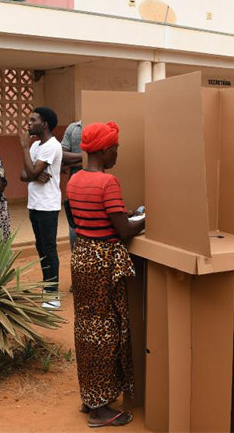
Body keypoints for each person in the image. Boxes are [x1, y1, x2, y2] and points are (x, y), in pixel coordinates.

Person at [66, 121, 144, 428]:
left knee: (87, 329)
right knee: (107, 332)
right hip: (102, 262)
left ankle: (91, 397)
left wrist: (125, 216)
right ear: (104, 149)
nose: (117, 154)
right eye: (116, 148)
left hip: (82, 256)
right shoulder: (107, 182)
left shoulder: (75, 180)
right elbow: (123, 230)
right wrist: (146, 218)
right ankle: (100, 411)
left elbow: (89, 218)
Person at [20, 107, 63, 308]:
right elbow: (23, 174)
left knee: (49, 248)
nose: (28, 124)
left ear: (44, 124)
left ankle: (53, 295)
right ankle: (47, 287)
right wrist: (34, 175)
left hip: (47, 205)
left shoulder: (51, 146)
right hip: (35, 203)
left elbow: (30, 172)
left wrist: (24, 147)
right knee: (41, 247)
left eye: (33, 120)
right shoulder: (37, 145)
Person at [61, 120, 83, 250]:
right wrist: (87, 157)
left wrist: (72, 162)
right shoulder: (74, 127)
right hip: (74, 187)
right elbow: (61, 156)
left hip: (96, 185)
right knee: (74, 226)